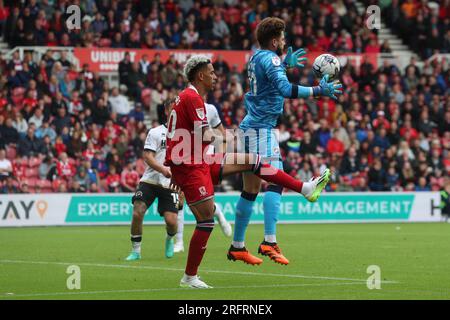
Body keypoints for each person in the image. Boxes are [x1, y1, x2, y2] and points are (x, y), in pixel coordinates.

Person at [164, 55, 334, 288]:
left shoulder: (186, 97)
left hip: (195, 160)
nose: (215, 76)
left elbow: (176, 134)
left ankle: (305, 188)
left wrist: (175, 166)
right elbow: (203, 135)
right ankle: (189, 277)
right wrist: (232, 138)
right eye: (211, 72)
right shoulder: (193, 98)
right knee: (205, 222)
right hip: (192, 165)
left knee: (254, 161)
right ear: (200, 75)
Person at [229, 17, 342, 266]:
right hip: (262, 130)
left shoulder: (257, 57)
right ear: (273, 40)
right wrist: (317, 91)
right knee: (276, 183)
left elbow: (271, 80)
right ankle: (269, 240)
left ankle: (237, 246)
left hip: (249, 127)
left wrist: (283, 64)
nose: (284, 40)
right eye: (281, 37)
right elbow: (284, 89)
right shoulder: (270, 59)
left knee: (250, 190)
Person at [173, 99, 232, 254]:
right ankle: (179, 241)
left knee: (202, 201)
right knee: (180, 197)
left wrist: (219, 157)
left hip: (205, 159)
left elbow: (224, 136)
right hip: (186, 157)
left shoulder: (210, 109)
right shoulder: (181, 106)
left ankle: (218, 214)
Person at [125, 102, 180, 261]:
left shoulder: (185, 135)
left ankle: (169, 239)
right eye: (172, 109)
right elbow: (148, 157)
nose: (174, 112)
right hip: (150, 180)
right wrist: (163, 169)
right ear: (166, 111)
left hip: (171, 184)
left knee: (171, 221)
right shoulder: (155, 132)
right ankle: (136, 251)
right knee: (137, 211)